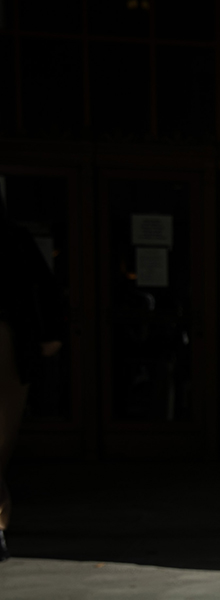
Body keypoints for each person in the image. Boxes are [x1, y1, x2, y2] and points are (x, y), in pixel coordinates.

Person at [0, 194, 65, 562]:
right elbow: (44, 287)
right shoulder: (16, 240)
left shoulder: (14, 241)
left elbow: (43, 287)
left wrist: (50, 332)